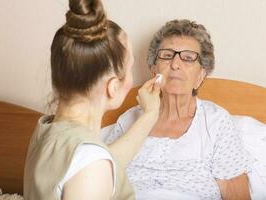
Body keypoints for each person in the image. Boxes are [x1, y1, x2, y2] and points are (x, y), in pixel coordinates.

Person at [23, 0, 161, 199]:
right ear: (112, 87)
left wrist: (150, 115)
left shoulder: (48, 132)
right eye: (130, 67)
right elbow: (92, 169)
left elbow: (104, 162)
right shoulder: (91, 166)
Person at [103, 19, 253, 200]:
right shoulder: (129, 119)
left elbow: (238, 195)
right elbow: (101, 179)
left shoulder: (216, 122)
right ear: (153, 70)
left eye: (188, 58)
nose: (175, 64)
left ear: (201, 76)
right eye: (167, 56)